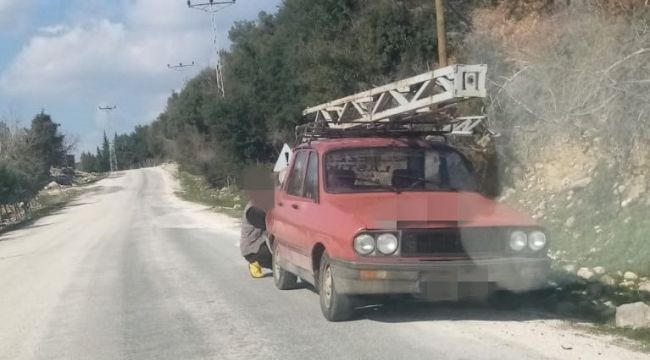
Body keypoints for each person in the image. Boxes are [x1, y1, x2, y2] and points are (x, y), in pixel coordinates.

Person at [240, 202, 272, 278]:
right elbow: (268, 225)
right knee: (277, 257)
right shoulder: (253, 210)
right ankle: (254, 263)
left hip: (261, 243)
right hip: (253, 249)